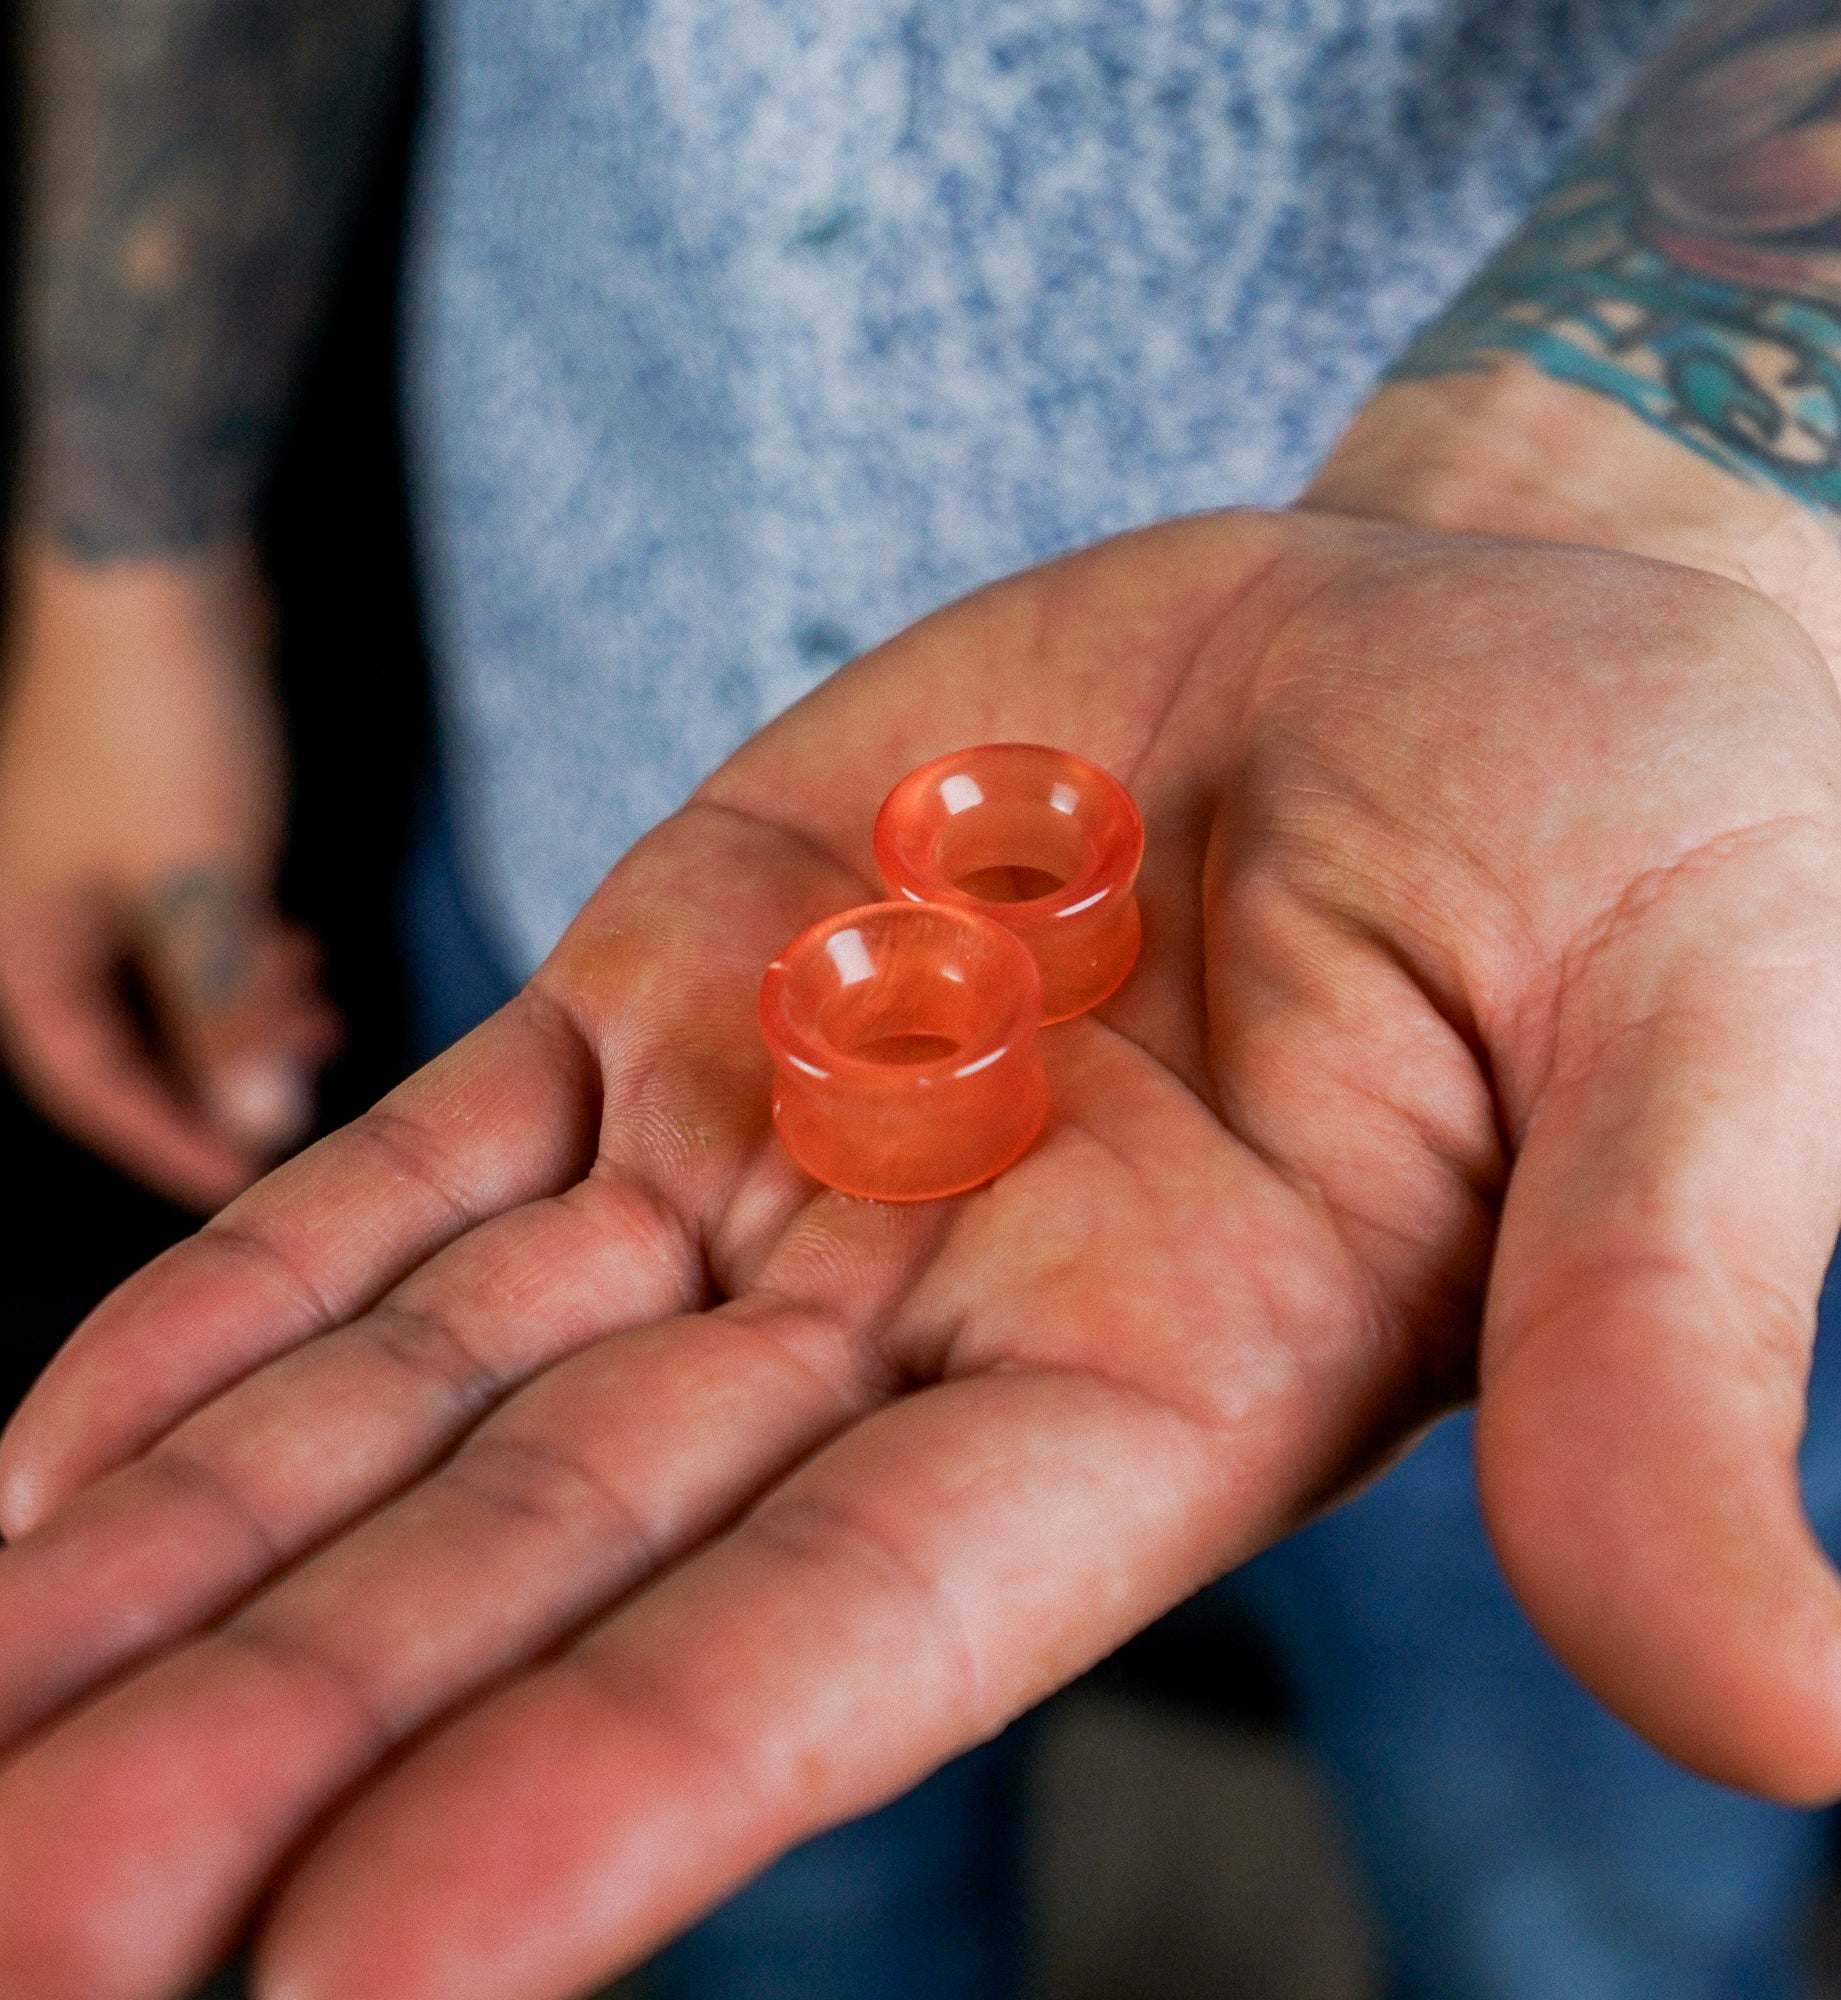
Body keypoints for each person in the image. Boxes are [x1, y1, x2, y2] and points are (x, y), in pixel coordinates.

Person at [3, 5, 1841, 2000]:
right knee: (741, 1870)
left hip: (1499, 954)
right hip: (592, 765)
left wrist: (1604, 488)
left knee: (1577, 1921)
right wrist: (125, 567)